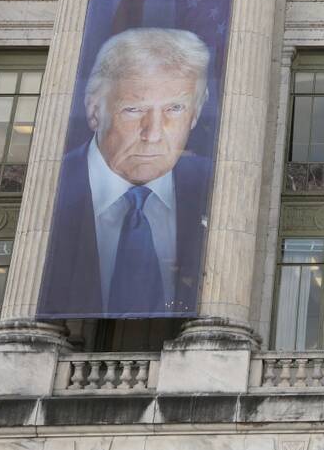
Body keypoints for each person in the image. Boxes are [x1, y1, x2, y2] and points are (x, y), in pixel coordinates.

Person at [37, 27, 213, 318]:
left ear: (195, 114)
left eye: (175, 108)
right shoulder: (51, 182)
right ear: (94, 110)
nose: (153, 133)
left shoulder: (216, 184)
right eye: (133, 109)